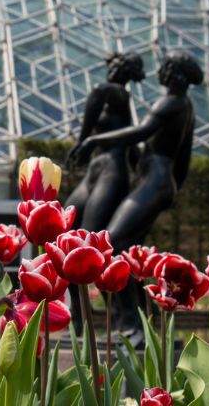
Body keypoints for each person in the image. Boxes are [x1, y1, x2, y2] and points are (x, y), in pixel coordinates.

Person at [74, 51, 203, 332]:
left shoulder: (169, 102)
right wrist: (173, 189)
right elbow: (183, 157)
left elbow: (140, 133)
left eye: (164, 67)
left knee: (113, 244)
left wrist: (93, 139)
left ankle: (130, 324)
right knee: (128, 253)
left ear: (172, 73)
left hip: (154, 181)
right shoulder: (186, 106)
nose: (158, 72)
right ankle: (135, 322)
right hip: (160, 182)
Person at [64, 52, 144, 333]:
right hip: (94, 171)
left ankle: (127, 319)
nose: (112, 67)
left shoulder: (116, 94)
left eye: (119, 65)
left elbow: (97, 94)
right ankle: (78, 319)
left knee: (89, 245)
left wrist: (82, 140)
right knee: (67, 237)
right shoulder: (119, 103)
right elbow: (131, 139)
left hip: (112, 171)